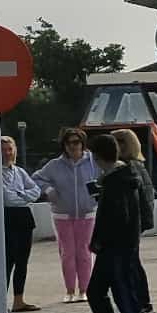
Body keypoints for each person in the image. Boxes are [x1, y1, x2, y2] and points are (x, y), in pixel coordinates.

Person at [84, 133, 145, 313]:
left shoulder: (119, 181)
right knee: (96, 292)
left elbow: (119, 218)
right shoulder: (114, 178)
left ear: (97, 155)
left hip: (118, 248)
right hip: (111, 248)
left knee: (124, 294)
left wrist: (101, 239)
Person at [35, 127, 99, 303]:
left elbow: (105, 176)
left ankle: (84, 290)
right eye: (68, 143)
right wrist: (48, 190)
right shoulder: (55, 165)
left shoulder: (93, 161)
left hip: (87, 213)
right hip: (62, 214)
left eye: (76, 142)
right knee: (67, 253)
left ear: (82, 143)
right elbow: (37, 178)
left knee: (84, 252)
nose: (72, 146)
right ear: (63, 145)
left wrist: (99, 192)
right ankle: (70, 290)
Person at [0, 136, 43, 313]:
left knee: (22, 261)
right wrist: (23, 195)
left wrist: (21, 194)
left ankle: (18, 300)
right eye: (3, 150)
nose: (7, 153)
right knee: (7, 262)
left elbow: (36, 190)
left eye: (10, 149)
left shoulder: (20, 171)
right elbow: (7, 198)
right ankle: (1, 302)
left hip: (24, 218)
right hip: (7, 218)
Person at [110, 128, 156, 313]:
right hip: (136, 222)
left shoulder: (127, 167)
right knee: (134, 264)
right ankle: (144, 304)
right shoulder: (138, 165)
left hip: (129, 223)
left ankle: (138, 305)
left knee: (129, 266)